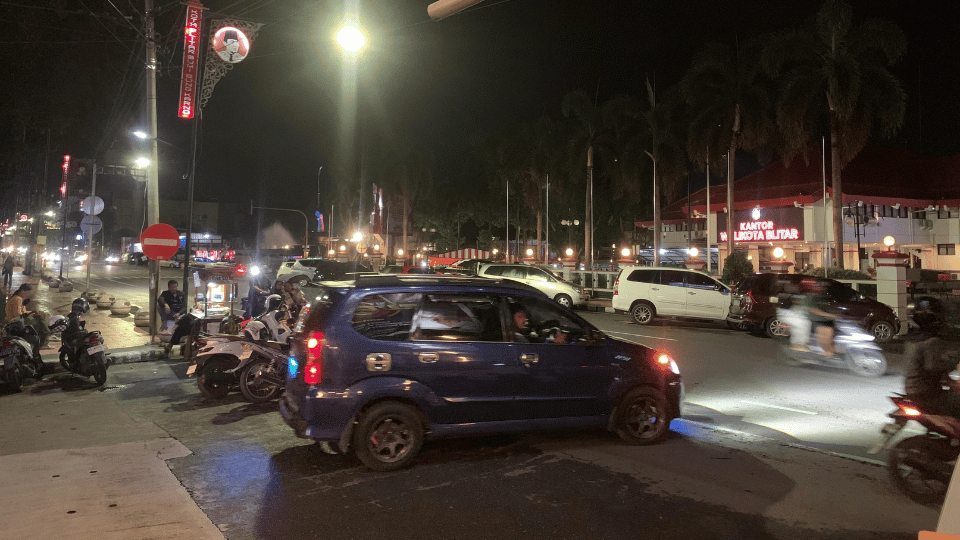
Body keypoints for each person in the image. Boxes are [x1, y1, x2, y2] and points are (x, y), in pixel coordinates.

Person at [904, 317, 960, 418]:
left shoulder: (912, 341)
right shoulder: (931, 341)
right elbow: (931, 367)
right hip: (925, 393)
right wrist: (952, 364)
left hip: (911, 390)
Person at [4, 284, 50, 353]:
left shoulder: (18, 298)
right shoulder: (17, 299)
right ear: (22, 291)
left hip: (17, 319)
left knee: (43, 315)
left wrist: (32, 312)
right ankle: (45, 339)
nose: (28, 295)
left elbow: (23, 311)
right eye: (27, 293)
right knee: (40, 320)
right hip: (15, 321)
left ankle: (46, 336)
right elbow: (18, 314)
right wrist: (32, 314)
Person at [801, 279, 837, 357]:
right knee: (825, 335)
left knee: (830, 337)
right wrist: (830, 315)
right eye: (820, 285)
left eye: (823, 286)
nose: (821, 288)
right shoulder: (810, 297)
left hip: (824, 321)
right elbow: (814, 310)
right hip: (816, 321)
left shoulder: (823, 297)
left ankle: (830, 352)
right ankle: (827, 352)